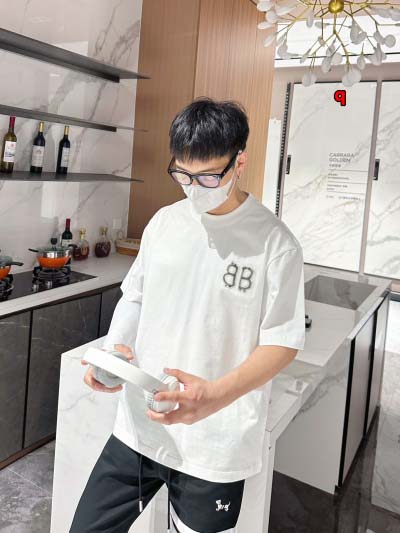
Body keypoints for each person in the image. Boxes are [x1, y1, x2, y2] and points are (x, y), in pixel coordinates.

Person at [70, 97, 305, 533]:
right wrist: (114, 353)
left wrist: (213, 395)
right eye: (183, 175)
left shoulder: (275, 244)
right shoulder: (164, 223)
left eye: (209, 176)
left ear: (239, 162)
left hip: (215, 444)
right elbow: (136, 297)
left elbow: (283, 341)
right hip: (140, 427)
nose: (195, 188)